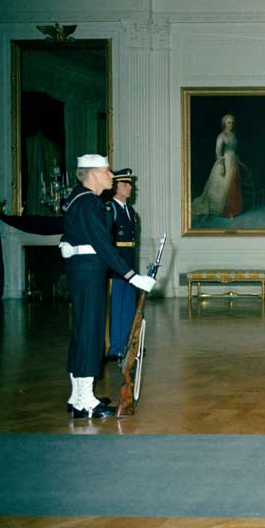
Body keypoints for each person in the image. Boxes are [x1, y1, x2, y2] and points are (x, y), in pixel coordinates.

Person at [58, 155, 155, 418]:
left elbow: (74, 231)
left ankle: (77, 396)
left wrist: (65, 242)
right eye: (106, 171)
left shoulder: (78, 199)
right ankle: (86, 402)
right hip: (89, 272)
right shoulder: (89, 202)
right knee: (90, 333)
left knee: (82, 331)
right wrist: (133, 276)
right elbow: (102, 245)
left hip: (83, 271)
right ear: (92, 174)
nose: (111, 176)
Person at [106, 167, 139, 360]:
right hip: (117, 267)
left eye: (130, 184)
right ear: (116, 188)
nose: (130, 187)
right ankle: (114, 347)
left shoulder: (131, 210)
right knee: (116, 308)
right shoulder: (110, 209)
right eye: (125, 184)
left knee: (128, 306)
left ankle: (126, 346)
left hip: (129, 265)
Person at [191, 113, 242, 219]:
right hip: (225, 162)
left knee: (233, 186)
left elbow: (235, 151)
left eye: (232, 122)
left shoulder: (234, 134)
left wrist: (239, 161)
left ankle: (233, 210)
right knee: (225, 187)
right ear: (224, 123)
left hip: (234, 162)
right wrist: (222, 166)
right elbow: (218, 152)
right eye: (228, 122)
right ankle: (226, 211)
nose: (230, 124)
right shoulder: (222, 136)